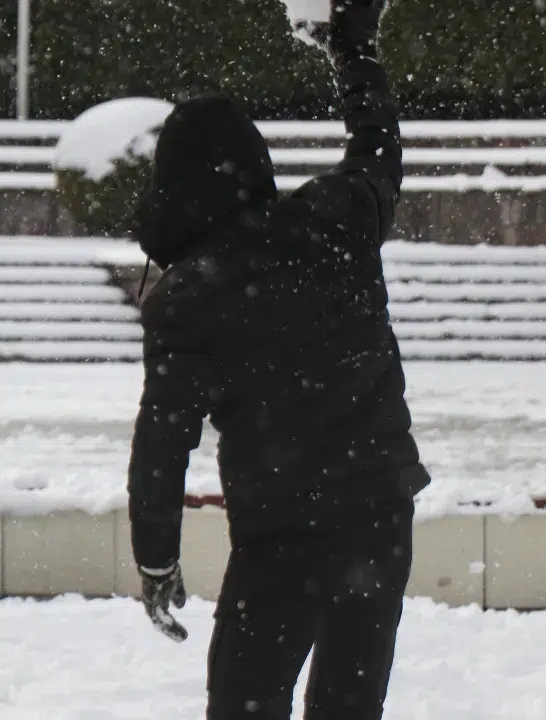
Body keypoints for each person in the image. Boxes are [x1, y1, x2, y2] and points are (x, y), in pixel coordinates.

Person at [126, 1, 430, 718]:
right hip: (381, 512)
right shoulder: (338, 218)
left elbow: (163, 441)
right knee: (351, 703)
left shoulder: (187, 299)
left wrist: (156, 555)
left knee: (245, 701)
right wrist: (354, 54)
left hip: (280, 533)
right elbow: (378, 146)